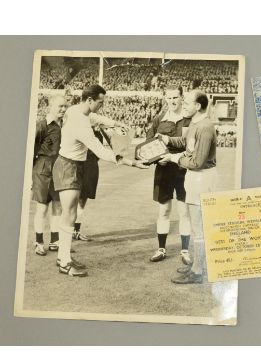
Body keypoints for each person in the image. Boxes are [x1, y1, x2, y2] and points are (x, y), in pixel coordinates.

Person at [52, 84, 148, 277]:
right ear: (89, 100)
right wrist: (130, 162)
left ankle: (63, 257)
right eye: (100, 102)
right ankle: (64, 261)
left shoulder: (78, 111)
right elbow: (100, 150)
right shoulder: (80, 122)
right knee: (69, 214)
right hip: (68, 166)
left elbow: (96, 117)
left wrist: (116, 124)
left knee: (69, 214)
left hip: (72, 165)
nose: (102, 105)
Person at [158, 90, 217, 284]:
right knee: (194, 225)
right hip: (193, 177)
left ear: (198, 106)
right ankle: (195, 266)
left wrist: (174, 157)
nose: (183, 104)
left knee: (198, 228)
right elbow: (185, 143)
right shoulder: (194, 123)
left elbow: (198, 161)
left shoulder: (206, 126)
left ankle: (198, 271)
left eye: (187, 103)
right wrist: (168, 140)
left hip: (202, 177)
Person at [145, 86, 192, 266]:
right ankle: (161, 249)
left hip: (183, 170)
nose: (172, 101)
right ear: (165, 98)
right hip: (164, 170)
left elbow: (188, 144)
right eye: (169, 98)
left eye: (175, 98)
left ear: (181, 98)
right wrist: (157, 160)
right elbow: (148, 143)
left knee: (183, 212)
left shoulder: (188, 120)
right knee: (163, 211)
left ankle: (185, 250)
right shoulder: (159, 119)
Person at [73, 114, 132, 242]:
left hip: (91, 165)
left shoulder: (99, 130)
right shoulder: (80, 125)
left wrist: (111, 129)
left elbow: (114, 146)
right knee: (71, 199)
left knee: (83, 200)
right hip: (77, 165)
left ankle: (76, 230)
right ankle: (65, 232)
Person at [32, 95, 68, 255]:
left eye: (65, 106)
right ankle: (38, 242)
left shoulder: (65, 125)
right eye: (60, 106)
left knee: (58, 206)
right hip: (43, 169)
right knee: (42, 208)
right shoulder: (41, 126)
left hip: (59, 169)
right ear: (51, 106)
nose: (63, 109)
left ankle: (55, 240)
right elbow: (30, 153)